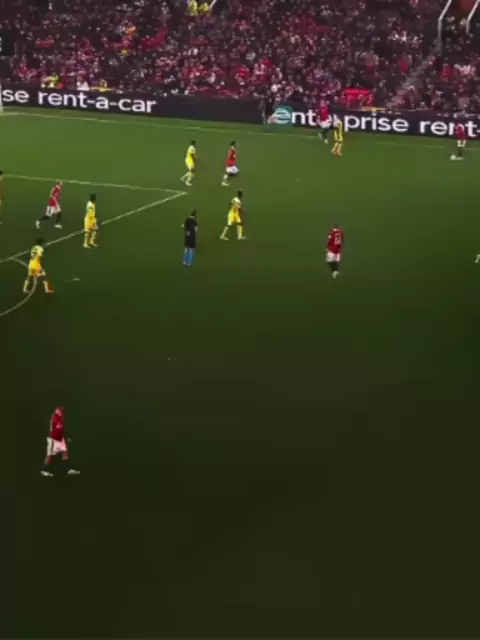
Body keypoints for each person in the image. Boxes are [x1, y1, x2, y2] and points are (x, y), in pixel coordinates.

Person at [41, 407, 80, 477]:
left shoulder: (59, 417)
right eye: (60, 410)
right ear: (56, 410)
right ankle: (44, 470)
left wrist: (65, 437)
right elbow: (57, 429)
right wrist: (65, 436)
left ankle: (69, 470)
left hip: (60, 439)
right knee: (49, 456)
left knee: (65, 454)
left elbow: (61, 429)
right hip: (53, 439)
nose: (62, 412)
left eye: (62, 411)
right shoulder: (55, 418)